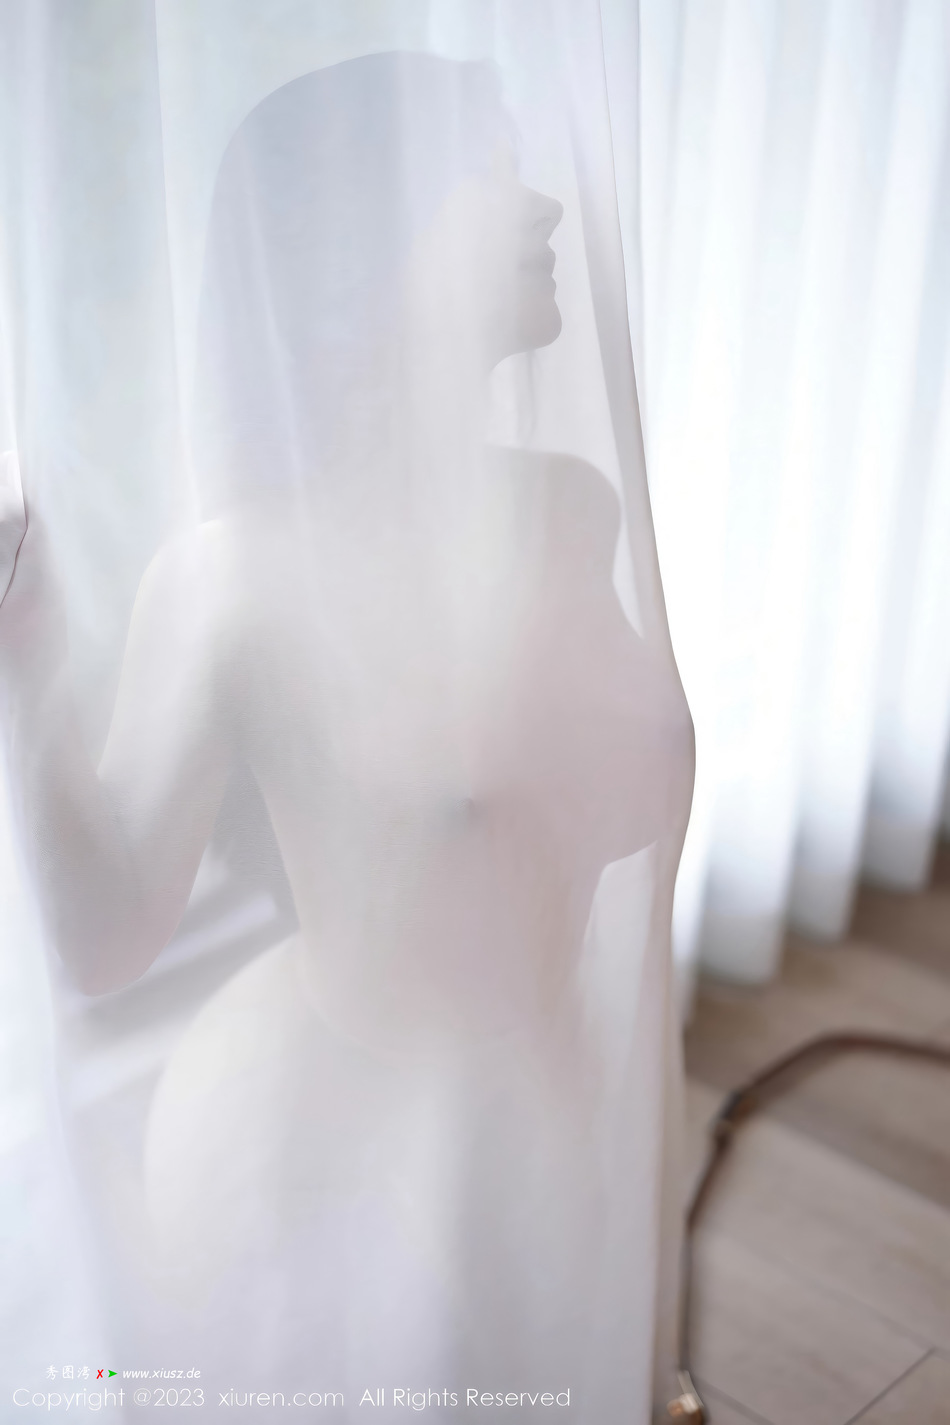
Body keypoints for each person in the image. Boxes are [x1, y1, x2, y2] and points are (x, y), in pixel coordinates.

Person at [0, 53, 693, 1420]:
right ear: (356, 239)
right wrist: (27, 678)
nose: (543, 206)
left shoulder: (572, 507)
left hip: (545, 1099)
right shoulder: (232, 582)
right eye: (485, 174)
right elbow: (105, 938)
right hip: (321, 1159)